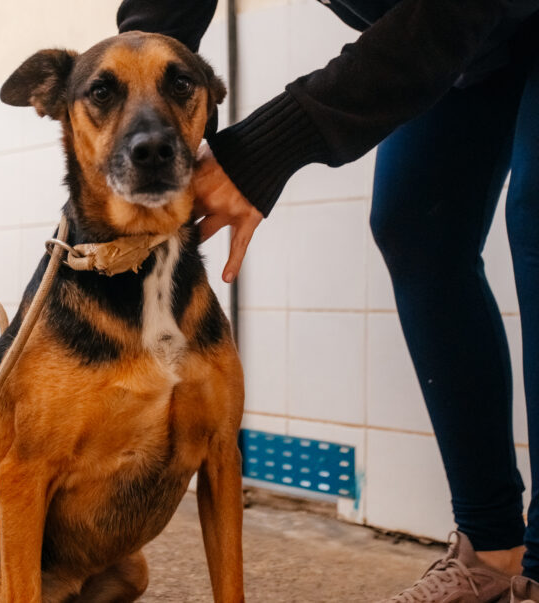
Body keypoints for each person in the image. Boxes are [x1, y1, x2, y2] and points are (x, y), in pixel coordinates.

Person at [117, 0, 539, 601]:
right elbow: (166, 14)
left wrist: (259, 154)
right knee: (416, 227)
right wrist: (151, 133)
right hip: (472, 35)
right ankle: (491, 550)